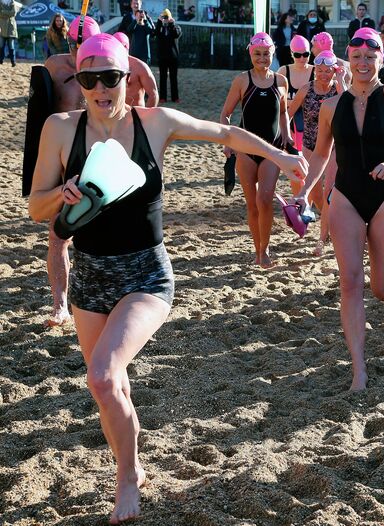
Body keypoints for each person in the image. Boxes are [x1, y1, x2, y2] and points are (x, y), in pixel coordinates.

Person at [28, 33, 307, 524]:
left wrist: (281, 158)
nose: (99, 89)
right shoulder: (59, 128)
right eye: (88, 79)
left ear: (127, 78)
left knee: (102, 374)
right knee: (109, 388)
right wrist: (62, 194)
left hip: (146, 274)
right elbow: (35, 206)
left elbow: (223, 135)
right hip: (91, 275)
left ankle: (127, 480)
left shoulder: (153, 124)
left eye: (110, 78)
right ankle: (132, 464)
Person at [293, 28, 384, 390]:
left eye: (371, 57)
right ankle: (358, 370)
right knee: (349, 281)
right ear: (348, 60)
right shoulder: (333, 106)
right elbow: (320, 154)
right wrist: (305, 192)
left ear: (382, 59)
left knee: (382, 290)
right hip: (345, 196)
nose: (364, 64)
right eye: (357, 57)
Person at [41, 16, 101, 326]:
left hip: (98, 156)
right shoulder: (54, 66)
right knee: (58, 236)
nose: (80, 48)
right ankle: (60, 305)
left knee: (104, 235)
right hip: (64, 156)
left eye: (85, 43)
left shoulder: (108, 67)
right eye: (76, 43)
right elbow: (39, 106)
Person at [220, 33, 292, 267]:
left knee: (265, 199)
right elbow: (226, 113)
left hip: (272, 149)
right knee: (252, 204)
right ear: (251, 54)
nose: (262, 58)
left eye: (266, 54)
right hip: (245, 148)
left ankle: (265, 248)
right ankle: (256, 249)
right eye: (257, 54)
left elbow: (283, 112)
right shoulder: (242, 80)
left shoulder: (280, 81)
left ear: (273, 54)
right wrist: (228, 140)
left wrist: (288, 136)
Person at [289, 49, 345, 255]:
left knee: (328, 189)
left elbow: (352, 105)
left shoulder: (339, 90)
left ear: (333, 71)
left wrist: (341, 80)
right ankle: (323, 218)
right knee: (310, 188)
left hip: (332, 147)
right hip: (310, 144)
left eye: (327, 71)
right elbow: (289, 113)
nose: (323, 74)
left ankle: (322, 238)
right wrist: (284, 136)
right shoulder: (307, 89)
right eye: (319, 70)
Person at [278, 35, 314, 191]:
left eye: (305, 54)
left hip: (311, 122)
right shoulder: (283, 71)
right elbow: (276, 99)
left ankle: (306, 195)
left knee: (310, 163)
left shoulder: (316, 71)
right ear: (291, 54)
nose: (302, 58)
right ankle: (298, 195)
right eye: (298, 55)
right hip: (290, 121)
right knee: (295, 163)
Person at [114, 32, 158, 107]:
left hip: (135, 113)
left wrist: (146, 116)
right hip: (114, 115)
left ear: (126, 47)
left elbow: (153, 95)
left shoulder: (139, 66)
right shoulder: (107, 66)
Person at [154, 8, 181, 103]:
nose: (165, 19)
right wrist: (159, 22)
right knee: (162, 77)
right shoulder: (160, 27)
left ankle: (175, 97)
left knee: (173, 77)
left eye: (167, 17)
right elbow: (155, 33)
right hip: (162, 57)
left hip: (173, 57)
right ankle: (163, 97)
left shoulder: (175, 26)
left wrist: (171, 23)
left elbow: (177, 34)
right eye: (164, 17)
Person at [121, 0, 155, 64]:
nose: (136, 6)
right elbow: (125, 31)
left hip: (144, 52)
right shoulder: (127, 17)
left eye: (137, 4)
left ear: (141, 4)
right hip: (132, 50)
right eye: (134, 4)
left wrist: (145, 20)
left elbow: (153, 33)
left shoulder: (147, 17)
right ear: (131, 5)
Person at [0, 0, 19, 67]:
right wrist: (8, 14)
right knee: (1, 46)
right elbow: (0, 13)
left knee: (11, 46)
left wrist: (4, 12)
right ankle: (0, 60)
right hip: (2, 27)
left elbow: (13, 13)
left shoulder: (12, 2)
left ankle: (13, 62)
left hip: (11, 28)